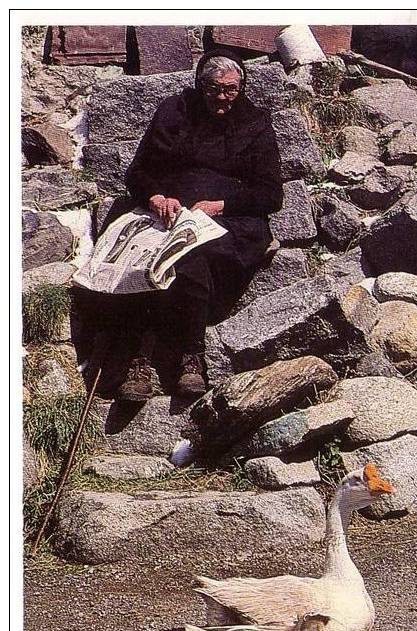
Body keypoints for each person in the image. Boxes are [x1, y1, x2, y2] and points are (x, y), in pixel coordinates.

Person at [76, 49, 283, 402]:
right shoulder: (176, 111)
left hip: (227, 218)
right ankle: (148, 360)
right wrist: (155, 197)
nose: (222, 99)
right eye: (214, 89)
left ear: (242, 87)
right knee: (148, 259)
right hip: (165, 211)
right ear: (200, 85)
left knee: (188, 257)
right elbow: (139, 171)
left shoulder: (254, 122)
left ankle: (184, 357)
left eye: (231, 90)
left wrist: (221, 205)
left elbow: (270, 193)